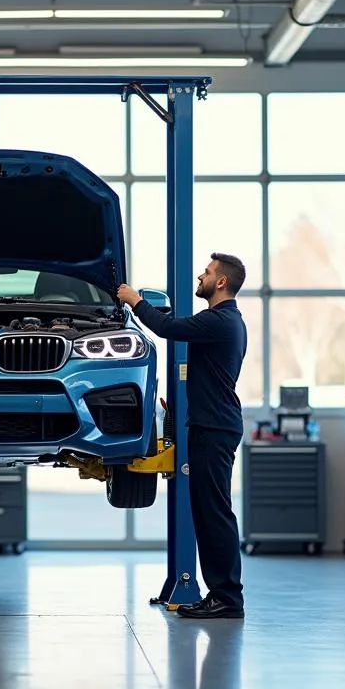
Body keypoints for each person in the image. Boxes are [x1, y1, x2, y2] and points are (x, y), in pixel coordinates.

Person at [117, 253, 247, 620]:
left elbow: (168, 328)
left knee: (215, 513)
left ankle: (227, 598)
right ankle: (221, 594)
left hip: (215, 428)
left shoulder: (220, 320)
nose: (201, 277)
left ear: (221, 282)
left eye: (207, 273)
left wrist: (135, 300)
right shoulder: (226, 321)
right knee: (209, 513)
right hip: (213, 425)